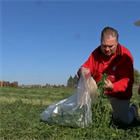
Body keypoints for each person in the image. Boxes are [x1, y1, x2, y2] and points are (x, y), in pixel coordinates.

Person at [77, 27, 139, 124]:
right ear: (100, 41)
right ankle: (83, 109)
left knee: (122, 121)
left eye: (111, 46)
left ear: (117, 43)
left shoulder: (125, 55)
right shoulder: (96, 53)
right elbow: (85, 67)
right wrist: (81, 71)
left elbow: (126, 81)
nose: (107, 49)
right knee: (84, 80)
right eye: (104, 45)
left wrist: (112, 87)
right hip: (100, 93)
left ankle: (133, 110)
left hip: (119, 95)